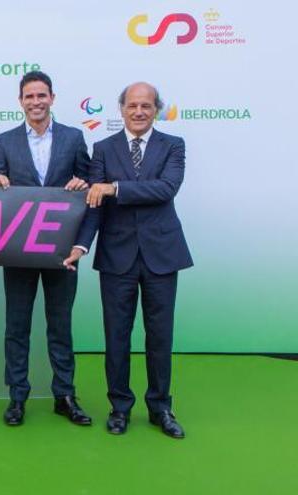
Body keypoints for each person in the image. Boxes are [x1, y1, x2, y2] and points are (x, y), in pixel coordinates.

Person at [83, 82, 193, 439]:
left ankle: (161, 408)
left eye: (146, 105)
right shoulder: (102, 148)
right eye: (133, 105)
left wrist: (115, 188)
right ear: (122, 109)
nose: (139, 111)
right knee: (117, 337)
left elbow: (166, 189)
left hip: (162, 255)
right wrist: (81, 246)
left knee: (159, 337)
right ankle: (119, 407)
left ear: (156, 109)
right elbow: (94, 205)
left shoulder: (173, 145)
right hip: (117, 257)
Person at [0, 71, 94, 427]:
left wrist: (84, 183)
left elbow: (89, 191)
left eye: (41, 95)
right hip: (18, 251)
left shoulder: (74, 137)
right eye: (29, 96)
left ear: (52, 98)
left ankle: (64, 395)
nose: (35, 102)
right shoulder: (3, 141)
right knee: (16, 327)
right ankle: (17, 397)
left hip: (62, 252)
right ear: (20, 101)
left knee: (60, 326)